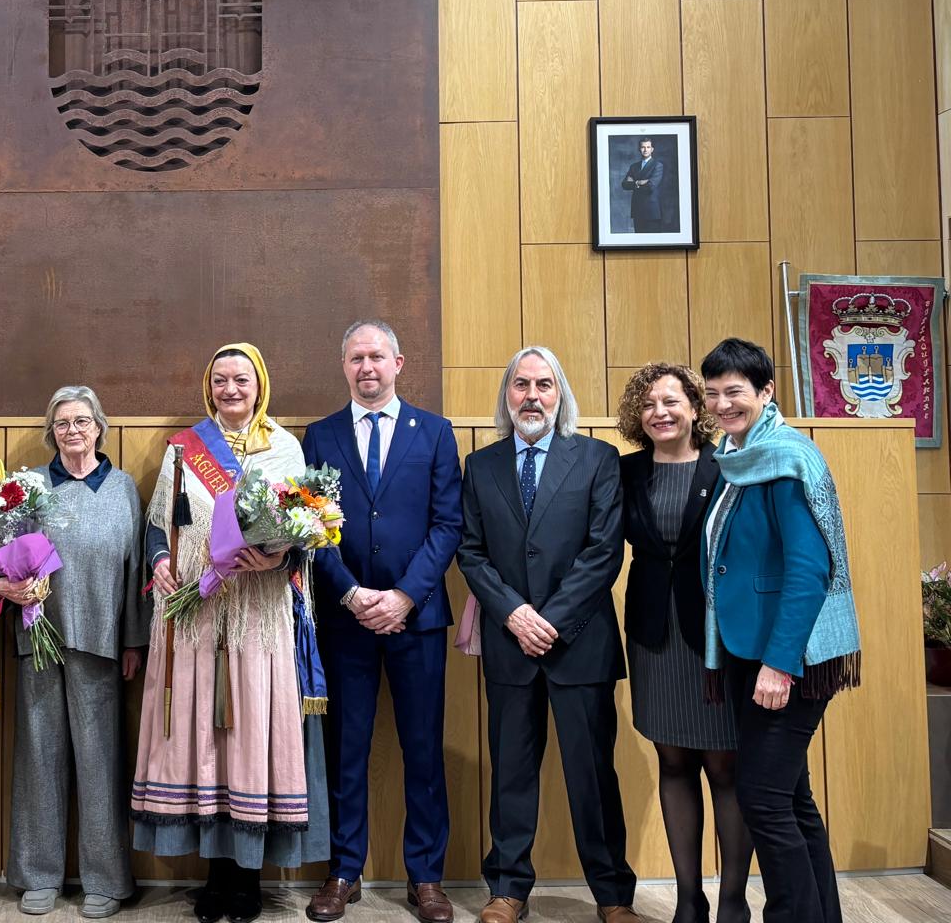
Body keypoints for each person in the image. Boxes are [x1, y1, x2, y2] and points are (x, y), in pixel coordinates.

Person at [133, 343, 329, 923]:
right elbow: (160, 523)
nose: (230, 389)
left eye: (240, 379)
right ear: (208, 386)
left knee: (249, 734)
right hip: (196, 609)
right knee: (203, 737)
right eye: (220, 380)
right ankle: (215, 877)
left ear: (260, 383)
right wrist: (160, 561)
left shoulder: (284, 448)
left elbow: (305, 532)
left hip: (258, 612)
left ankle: (247, 880)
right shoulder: (182, 448)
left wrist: (278, 557)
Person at [456, 347, 638, 923]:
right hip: (510, 645)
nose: (531, 395)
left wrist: (550, 620)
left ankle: (612, 897)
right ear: (506, 395)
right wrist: (513, 614)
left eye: (544, 385)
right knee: (511, 773)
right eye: (520, 385)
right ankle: (507, 890)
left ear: (560, 395)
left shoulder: (597, 459)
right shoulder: (480, 467)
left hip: (579, 645)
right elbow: (471, 552)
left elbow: (604, 551)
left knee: (593, 776)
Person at [302, 321, 462, 923]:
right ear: (343, 366)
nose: (366, 367)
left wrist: (402, 597)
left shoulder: (436, 432)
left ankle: (426, 877)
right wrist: (349, 596)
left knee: (423, 750)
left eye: (376, 356)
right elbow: (311, 527)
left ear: (399, 361)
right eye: (355, 358)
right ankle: (344, 870)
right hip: (345, 623)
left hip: (416, 621)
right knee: (347, 751)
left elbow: (448, 525)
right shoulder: (319, 437)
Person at [700, 338, 860, 923]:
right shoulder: (739, 455)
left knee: (763, 800)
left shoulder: (788, 457)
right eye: (713, 393)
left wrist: (780, 662)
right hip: (751, 650)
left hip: (787, 657)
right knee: (792, 799)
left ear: (767, 392)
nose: (722, 403)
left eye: (735, 392)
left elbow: (809, 569)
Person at [0, 386, 149, 919]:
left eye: (82, 422)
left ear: (99, 428)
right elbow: (0, 559)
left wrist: (134, 638)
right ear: (51, 433)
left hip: (102, 640)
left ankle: (106, 880)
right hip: (39, 636)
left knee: (100, 762)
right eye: (62, 423)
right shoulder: (30, 487)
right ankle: (38, 874)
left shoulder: (124, 487)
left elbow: (137, 570)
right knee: (39, 757)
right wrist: (3, 587)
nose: (72, 431)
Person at [615, 364, 750, 923]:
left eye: (671, 401)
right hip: (652, 634)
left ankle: (734, 902)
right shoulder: (624, 472)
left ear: (697, 408)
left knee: (724, 767)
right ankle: (689, 901)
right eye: (647, 404)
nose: (660, 412)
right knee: (672, 761)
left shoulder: (728, 469)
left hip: (717, 636)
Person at [621, 137, 667, 232]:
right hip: (637, 210)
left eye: (648, 147)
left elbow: (651, 187)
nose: (645, 150)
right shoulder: (634, 166)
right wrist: (639, 182)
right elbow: (624, 184)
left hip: (651, 212)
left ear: (652, 149)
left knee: (652, 243)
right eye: (643, 147)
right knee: (638, 242)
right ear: (639, 149)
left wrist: (633, 183)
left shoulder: (657, 165)